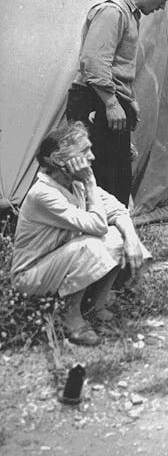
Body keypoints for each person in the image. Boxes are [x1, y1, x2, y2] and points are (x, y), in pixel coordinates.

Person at [11, 122, 149, 346]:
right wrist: (90, 180)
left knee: (118, 236)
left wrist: (131, 240)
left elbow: (117, 210)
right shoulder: (43, 193)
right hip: (31, 277)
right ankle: (70, 318)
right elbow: (97, 226)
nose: (92, 156)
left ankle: (94, 306)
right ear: (58, 159)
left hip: (57, 264)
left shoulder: (74, 184)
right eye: (84, 151)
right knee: (92, 243)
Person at [66, 0, 168, 206]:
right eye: (162, 0)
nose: (161, 7)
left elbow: (119, 65)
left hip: (109, 100)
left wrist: (128, 101)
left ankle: (111, 234)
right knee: (100, 179)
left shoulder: (129, 14)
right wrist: (110, 102)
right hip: (95, 100)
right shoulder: (113, 12)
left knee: (115, 178)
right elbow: (93, 61)